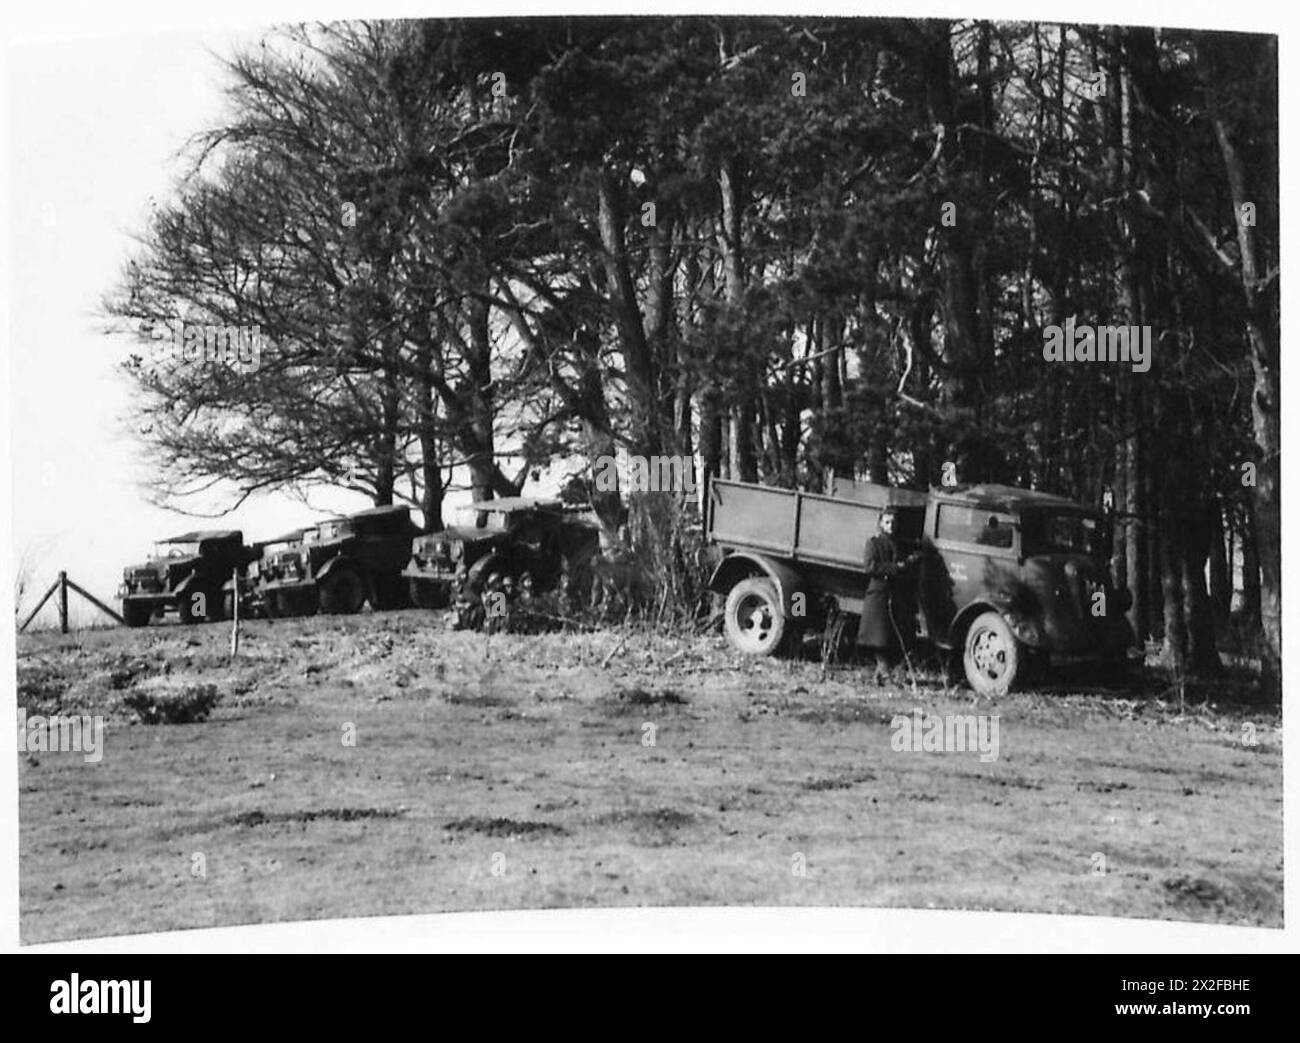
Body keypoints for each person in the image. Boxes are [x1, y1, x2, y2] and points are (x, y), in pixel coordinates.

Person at [857, 508, 921, 684]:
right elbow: (870, 567)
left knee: (891, 636)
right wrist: (895, 568)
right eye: (887, 522)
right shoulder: (874, 543)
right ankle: (883, 673)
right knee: (879, 637)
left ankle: (881, 675)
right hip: (878, 593)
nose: (890, 526)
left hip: (894, 594)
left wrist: (908, 563)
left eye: (893, 522)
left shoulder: (898, 543)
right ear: (880, 523)